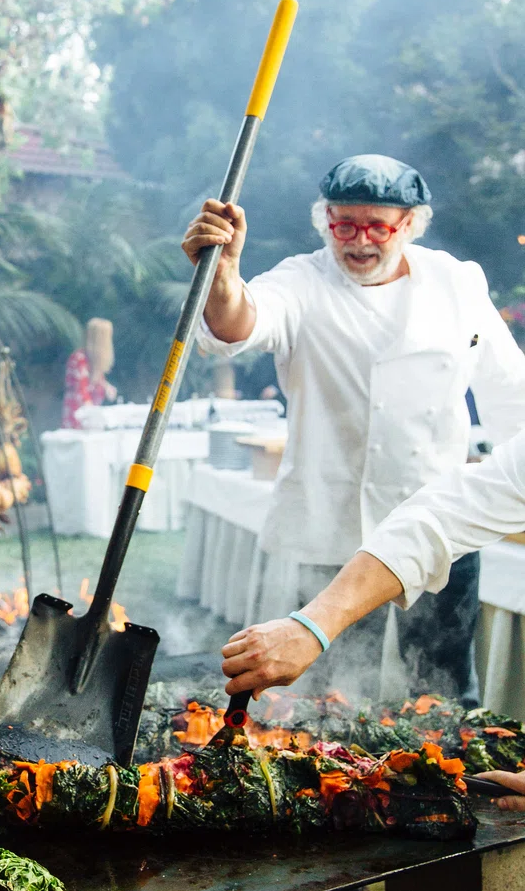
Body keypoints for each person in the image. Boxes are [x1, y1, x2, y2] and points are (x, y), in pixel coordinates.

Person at [183, 153, 525, 707]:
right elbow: (238, 324)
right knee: (332, 692)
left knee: (440, 690)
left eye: (378, 226)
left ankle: (443, 779)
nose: (359, 240)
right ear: (325, 222)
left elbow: (511, 391)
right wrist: (223, 275)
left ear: (409, 225)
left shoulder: (458, 283)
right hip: (330, 524)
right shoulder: (300, 280)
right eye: (345, 224)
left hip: (442, 522)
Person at [220, 427, 525, 810]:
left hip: (420, 503)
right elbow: (445, 515)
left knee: (448, 699)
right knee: (337, 699)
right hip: (348, 525)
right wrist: (313, 626)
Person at [62, 317, 117, 428]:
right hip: (77, 419)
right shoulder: (79, 359)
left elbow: (100, 385)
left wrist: (107, 388)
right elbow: (81, 392)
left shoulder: (94, 363)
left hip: (90, 420)